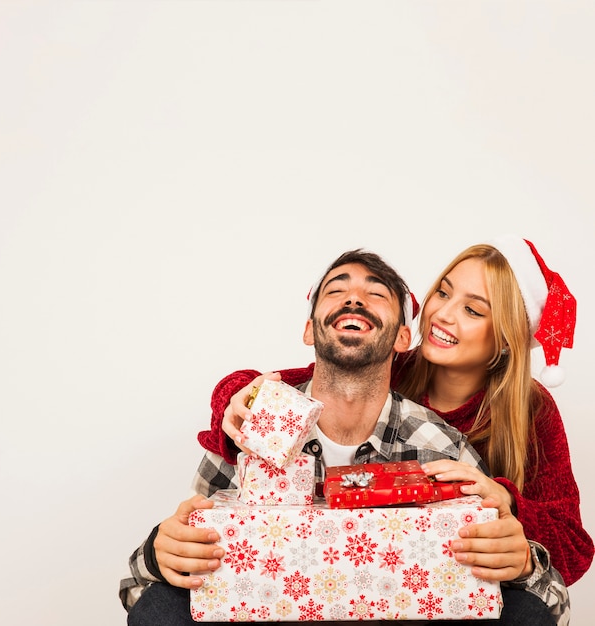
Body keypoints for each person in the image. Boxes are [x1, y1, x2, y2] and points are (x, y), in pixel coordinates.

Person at [199, 236, 592, 624]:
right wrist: (237, 393)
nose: (442, 315)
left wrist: (506, 502)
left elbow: (571, 548)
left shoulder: (529, 410)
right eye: (443, 292)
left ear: (506, 339)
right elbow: (316, 376)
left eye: (473, 310)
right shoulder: (392, 364)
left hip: (449, 577)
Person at [120, 249, 516, 625]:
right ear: (310, 330)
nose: (354, 300)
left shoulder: (439, 446)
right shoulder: (250, 427)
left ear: (402, 338)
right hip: (269, 610)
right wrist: (160, 554)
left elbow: (523, 586)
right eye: (336, 290)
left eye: (375, 293)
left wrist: (525, 561)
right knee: (159, 606)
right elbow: (147, 580)